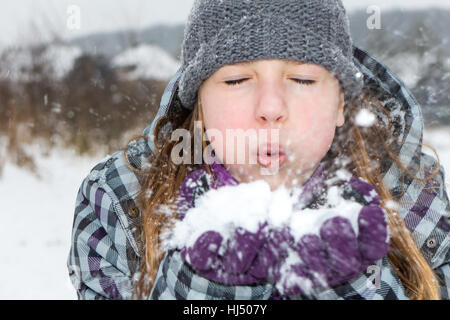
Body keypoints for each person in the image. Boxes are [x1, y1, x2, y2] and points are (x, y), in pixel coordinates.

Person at [67, 0, 450, 300]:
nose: (270, 108)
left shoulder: (411, 191)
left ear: (340, 104)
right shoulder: (122, 200)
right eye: (236, 79)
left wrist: (353, 290)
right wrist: (210, 297)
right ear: (199, 102)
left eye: (301, 78)